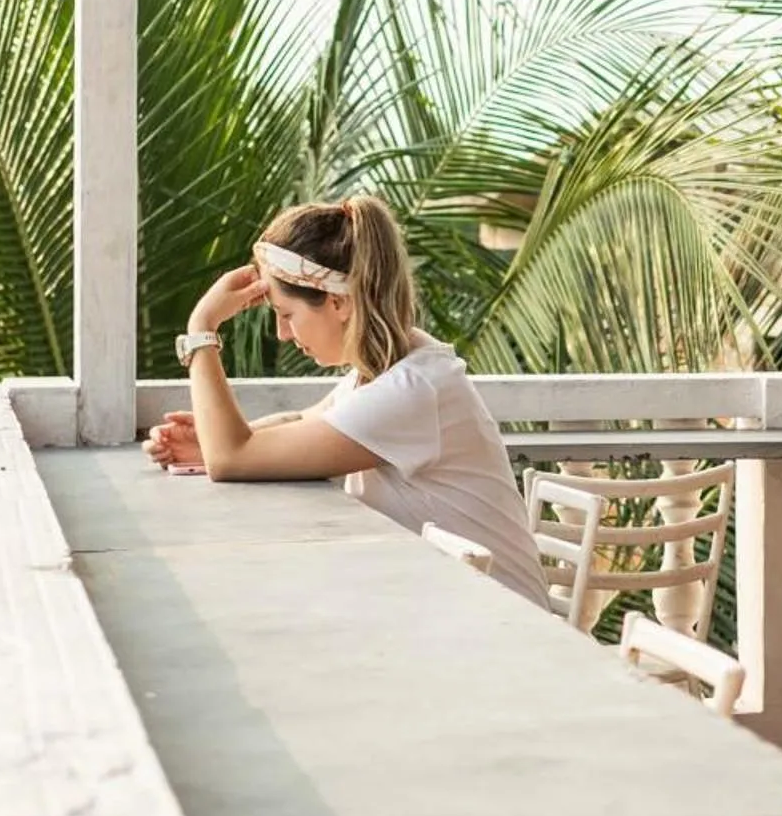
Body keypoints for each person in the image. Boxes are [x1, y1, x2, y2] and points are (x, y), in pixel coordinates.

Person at [143, 194, 551, 611]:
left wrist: (201, 329)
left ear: (338, 302)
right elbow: (305, 420)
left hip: (506, 632)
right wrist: (208, 441)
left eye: (286, 314)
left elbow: (232, 459)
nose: (282, 334)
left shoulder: (413, 389)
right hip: (461, 612)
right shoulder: (392, 369)